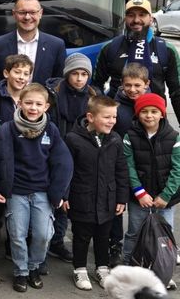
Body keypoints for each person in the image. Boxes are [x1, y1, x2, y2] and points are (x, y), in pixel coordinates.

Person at [0, 83, 73, 293]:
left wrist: (59, 192)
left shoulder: (50, 130)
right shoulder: (7, 129)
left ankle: (34, 266)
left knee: (43, 234)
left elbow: (63, 162)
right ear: (19, 103)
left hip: (42, 191)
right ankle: (21, 271)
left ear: (46, 107)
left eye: (38, 104)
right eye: (28, 103)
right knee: (17, 234)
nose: (33, 107)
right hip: (16, 191)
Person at [63, 96, 128, 290]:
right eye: (107, 117)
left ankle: (102, 267)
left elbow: (121, 170)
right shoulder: (73, 139)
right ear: (90, 117)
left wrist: (122, 198)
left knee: (103, 236)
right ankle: (80, 269)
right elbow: (66, 169)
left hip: (108, 199)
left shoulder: (115, 139)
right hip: (82, 197)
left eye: (114, 117)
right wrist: (64, 195)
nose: (112, 121)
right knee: (81, 235)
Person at [43, 52, 99, 268]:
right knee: (52, 197)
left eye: (84, 74)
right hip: (55, 151)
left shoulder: (93, 96)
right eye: (75, 73)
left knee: (68, 201)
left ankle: (58, 241)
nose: (79, 78)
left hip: (81, 153)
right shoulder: (54, 94)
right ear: (67, 74)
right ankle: (46, 242)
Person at [94, 0, 180, 122]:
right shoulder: (110, 47)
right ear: (125, 19)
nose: (136, 20)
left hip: (153, 121)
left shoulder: (166, 49)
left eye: (142, 15)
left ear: (151, 19)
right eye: (131, 15)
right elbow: (96, 85)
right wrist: (102, 115)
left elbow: (176, 91)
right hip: (116, 122)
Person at [122, 93, 180, 271]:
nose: (149, 115)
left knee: (164, 233)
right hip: (139, 197)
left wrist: (165, 195)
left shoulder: (174, 136)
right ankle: (128, 267)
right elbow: (128, 166)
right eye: (144, 111)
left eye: (154, 111)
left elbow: (177, 170)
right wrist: (139, 192)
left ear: (162, 113)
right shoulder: (130, 136)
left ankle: (163, 269)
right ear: (137, 114)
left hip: (165, 198)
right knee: (134, 232)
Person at [109, 62, 150, 266]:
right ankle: (115, 245)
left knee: (141, 210)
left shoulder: (152, 104)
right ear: (122, 85)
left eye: (137, 85)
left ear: (146, 84)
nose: (132, 90)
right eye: (128, 85)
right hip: (118, 164)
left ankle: (144, 248)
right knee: (117, 206)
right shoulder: (115, 104)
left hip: (143, 166)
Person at [0, 0, 66, 85]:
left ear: (40, 13)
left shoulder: (56, 45)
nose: (27, 17)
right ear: (14, 14)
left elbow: (58, 82)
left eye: (33, 12)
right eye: (22, 12)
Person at [0, 54, 33, 122]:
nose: (21, 77)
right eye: (17, 72)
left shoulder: (33, 99)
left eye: (26, 74)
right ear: (6, 73)